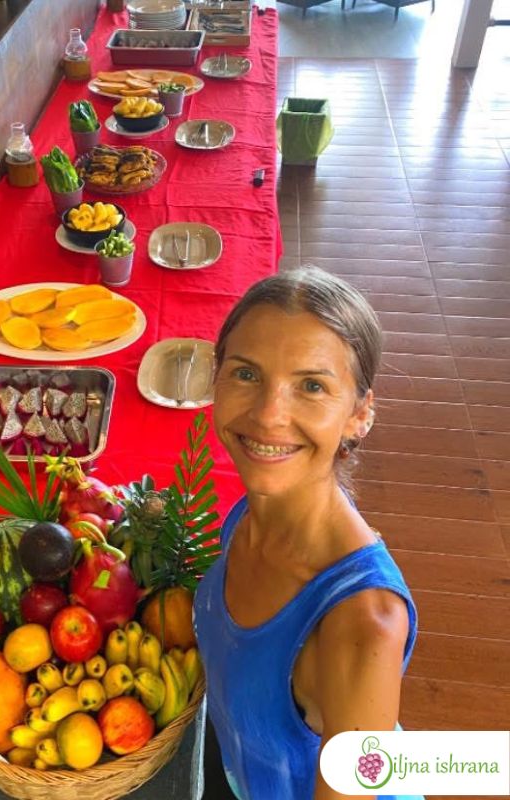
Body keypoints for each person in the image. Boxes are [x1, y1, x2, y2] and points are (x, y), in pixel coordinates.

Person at [194, 267, 423, 800]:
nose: (270, 415)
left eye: (312, 386)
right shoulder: (251, 514)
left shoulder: (362, 626)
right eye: (246, 374)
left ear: (360, 414)